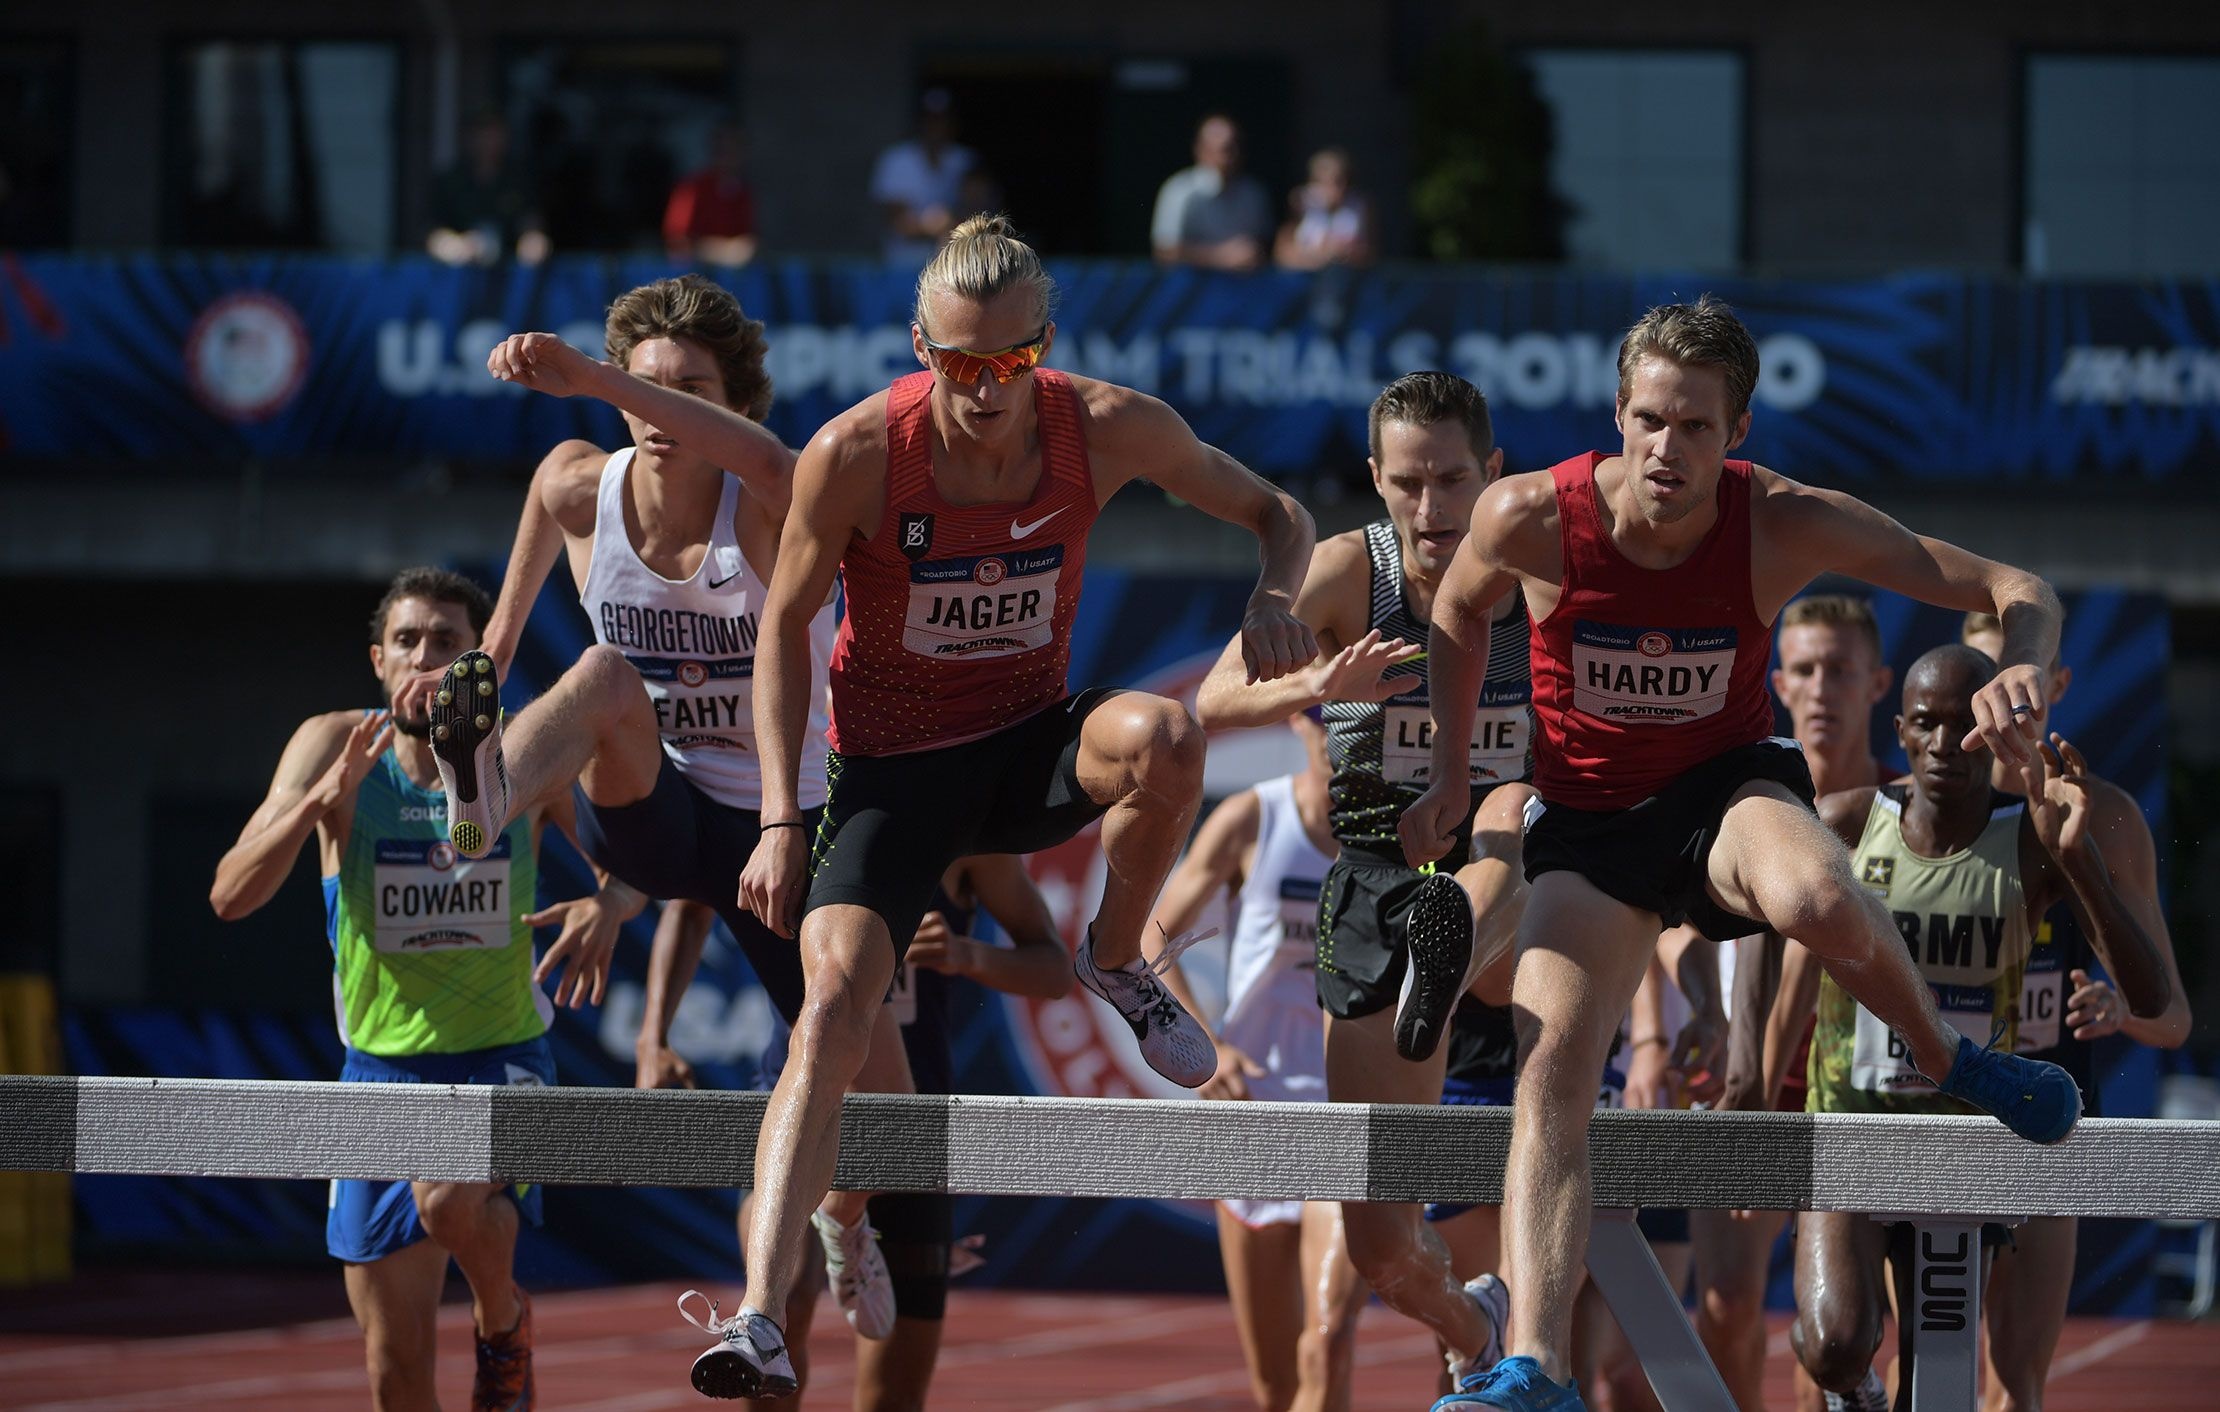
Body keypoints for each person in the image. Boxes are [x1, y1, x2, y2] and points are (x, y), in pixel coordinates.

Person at [1404, 294, 2088, 1412]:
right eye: (1650, 419)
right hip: (1588, 827)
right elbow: (1456, 613)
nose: (1667, 449)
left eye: (1696, 428)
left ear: (1739, 434)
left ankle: (1948, 1056)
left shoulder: (1781, 522)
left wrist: (2020, 658)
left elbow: (2021, 588)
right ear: (1618, 412)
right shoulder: (1529, 516)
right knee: (1553, 1070)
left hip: (1723, 795)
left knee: (1817, 888)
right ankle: (1534, 1365)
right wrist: (1445, 766)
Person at [681, 213, 1316, 1399]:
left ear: (1047, 348)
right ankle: (762, 1316)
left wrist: (1279, 591)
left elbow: (1281, 512)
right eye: (958, 364)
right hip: (890, 777)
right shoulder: (860, 451)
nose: (983, 389)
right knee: (828, 1006)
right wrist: (779, 810)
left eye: (1010, 363)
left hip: (1027, 746)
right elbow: (781, 627)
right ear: (920, 346)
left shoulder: (1106, 425)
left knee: (1170, 738)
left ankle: (1118, 958)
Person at [401, 274, 910, 1342]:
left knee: (886, 1104)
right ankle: (475, 809)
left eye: (692, 388)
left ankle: (842, 1219)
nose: (662, 410)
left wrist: (585, 375)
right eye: (646, 387)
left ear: (729, 402)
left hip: (791, 821)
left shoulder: (769, 495)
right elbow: (493, 653)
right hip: (660, 804)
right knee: (597, 677)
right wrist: (447, 714)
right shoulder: (576, 489)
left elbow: (770, 459)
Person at [209, 567, 644, 1412]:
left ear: (477, 661)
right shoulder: (332, 746)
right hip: (379, 1075)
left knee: (448, 1201)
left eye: (447, 643)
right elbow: (229, 895)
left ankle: (502, 1323)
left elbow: (631, 863)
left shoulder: (522, 752)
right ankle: (501, 1325)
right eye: (408, 641)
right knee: (394, 1371)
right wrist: (313, 810)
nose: (425, 659)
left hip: (500, 1058)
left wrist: (611, 901)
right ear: (378, 659)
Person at [1195, 370, 1530, 1386]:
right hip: (1377, 894)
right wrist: (1315, 682)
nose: (1433, 510)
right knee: (1382, 1248)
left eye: (1454, 481)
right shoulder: (1350, 574)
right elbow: (1212, 698)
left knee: (1511, 827)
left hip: (1510, 889)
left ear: (1495, 473)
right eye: (1408, 483)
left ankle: (1460, 939)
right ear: (1379, 480)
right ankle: (1477, 1340)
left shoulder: (1543, 579)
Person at [1749, 646, 2173, 1412]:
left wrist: (2081, 863)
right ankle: (1858, 1394)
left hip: (1969, 1145)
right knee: (1832, 1345)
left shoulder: (2033, 841)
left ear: (1993, 731)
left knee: (1941, 1384)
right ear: (1902, 733)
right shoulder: (1845, 820)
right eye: (1926, 725)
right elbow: (1758, 919)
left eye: (1963, 726)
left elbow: (2149, 995)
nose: (1946, 744)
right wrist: (1751, 1078)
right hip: (1852, 1129)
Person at [666, 855, 1068, 1412]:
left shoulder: (966, 838)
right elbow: (691, 896)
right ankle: (833, 1222)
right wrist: (651, 1035)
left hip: (909, 1130)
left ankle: (846, 1215)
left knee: (894, 1395)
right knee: (780, 1322)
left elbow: (1055, 969)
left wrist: (966, 953)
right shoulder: (799, 827)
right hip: (796, 1110)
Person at [1958, 612, 2191, 1412]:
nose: (2003, 712)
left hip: (2046, 1118)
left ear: (2057, 685)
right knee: (1915, 1369)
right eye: (1986, 688)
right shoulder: (1912, 810)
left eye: (2023, 690)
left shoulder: (2110, 815)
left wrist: (2117, 1007)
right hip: (1930, 1117)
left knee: (2015, 1390)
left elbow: (2173, 1020)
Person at [1696, 593, 1897, 1412]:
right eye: (1806, 669)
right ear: (1777, 680)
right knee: (1728, 1304)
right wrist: (1699, 1032)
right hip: (1756, 1077)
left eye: (1840, 670)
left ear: (1877, 682)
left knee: (1846, 1331)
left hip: (1865, 1087)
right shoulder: (1743, 792)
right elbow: (1688, 927)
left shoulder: (1907, 807)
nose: (1821, 688)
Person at [1142, 710, 1369, 1412]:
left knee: (1325, 1347)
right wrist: (1204, 1048)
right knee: (1274, 1387)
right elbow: (1153, 942)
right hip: (1251, 1113)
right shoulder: (1253, 819)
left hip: (1345, 1111)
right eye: (1330, 719)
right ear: (1300, 724)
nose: (1345, 736)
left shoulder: (1398, 836)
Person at [1152, 114, 1275, 272]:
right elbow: (1164, 250)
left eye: (1236, 147)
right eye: (1225, 149)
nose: (1232, 157)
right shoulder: (1179, 191)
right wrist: (1221, 257)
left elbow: (1265, 244)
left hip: (1244, 291)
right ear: (1201, 150)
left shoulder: (1253, 192)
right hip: (1190, 292)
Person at [870, 89, 977, 266]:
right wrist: (935, 224)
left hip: (956, 266)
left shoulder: (966, 160)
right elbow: (897, 222)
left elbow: (980, 213)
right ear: (919, 122)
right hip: (904, 263)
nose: (936, 126)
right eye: (930, 119)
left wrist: (948, 224)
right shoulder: (896, 159)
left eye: (942, 119)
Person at [427, 111, 549, 267]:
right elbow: (432, 230)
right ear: (468, 138)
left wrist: (533, 241)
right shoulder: (450, 181)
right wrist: (449, 245)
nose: (487, 141)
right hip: (460, 274)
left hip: (511, 273)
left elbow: (530, 221)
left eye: (493, 133)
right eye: (481, 134)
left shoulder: (519, 179)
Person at [664, 121, 759, 266]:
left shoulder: (743, 191)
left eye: (736, 149)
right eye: (724, 150)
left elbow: (748, 240)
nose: (730, 157)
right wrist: (721, 251)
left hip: (733, 278)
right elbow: (677, 242)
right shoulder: (693, 188)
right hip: (696, 277)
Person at [1274, 148, 1374, 271]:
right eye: (1325, 182)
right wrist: (1321, 256)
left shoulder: (1362, 206)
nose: (1334, 189)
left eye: (1340, 181)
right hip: (1304, 278)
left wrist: (1345, 253)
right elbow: (1282, 254)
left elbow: (1371, 254)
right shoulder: (1299, 203)